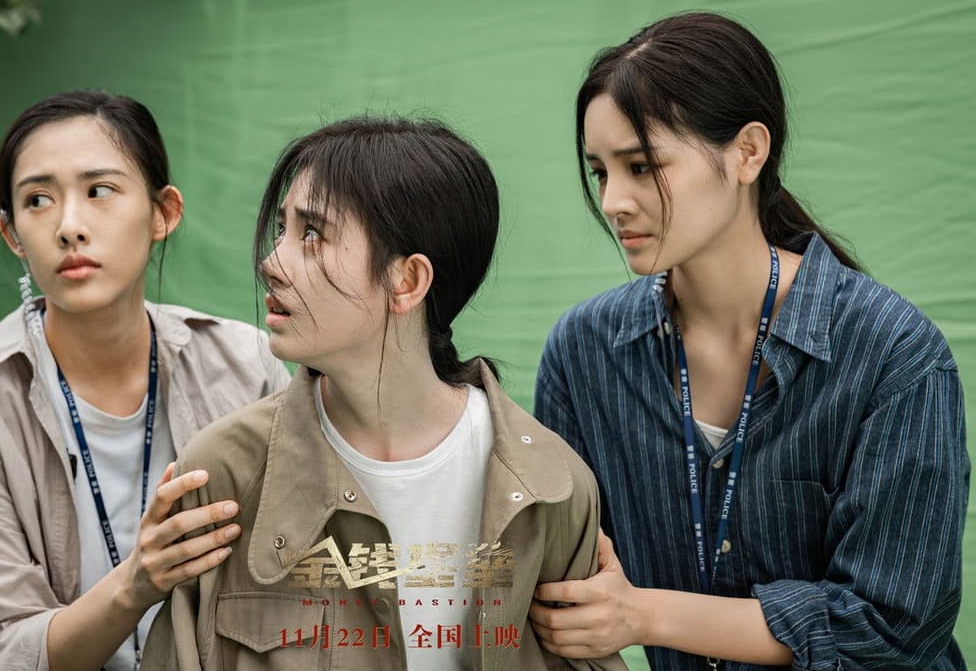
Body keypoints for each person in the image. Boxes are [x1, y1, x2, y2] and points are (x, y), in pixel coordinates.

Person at [529, 12, 969, 670]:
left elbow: (889, 629)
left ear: (748, 152)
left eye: (642, 166)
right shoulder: (583, 354)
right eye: (600, 172)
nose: (614, 200)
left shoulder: (892, 354)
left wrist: (644, 614)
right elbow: (565, 587)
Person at [140, 117, 627, 670]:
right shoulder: (222, 477)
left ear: (407, 281)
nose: (271, 263)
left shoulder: (551, 489)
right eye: (282, 230)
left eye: (312, 234)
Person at [0, 90, 290, 670]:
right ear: (12, 234)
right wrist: (136, 583)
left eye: (99, 190)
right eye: (38, 200)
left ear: (163, 213)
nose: (69, 227)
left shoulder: (244, 368)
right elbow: (1, 654)